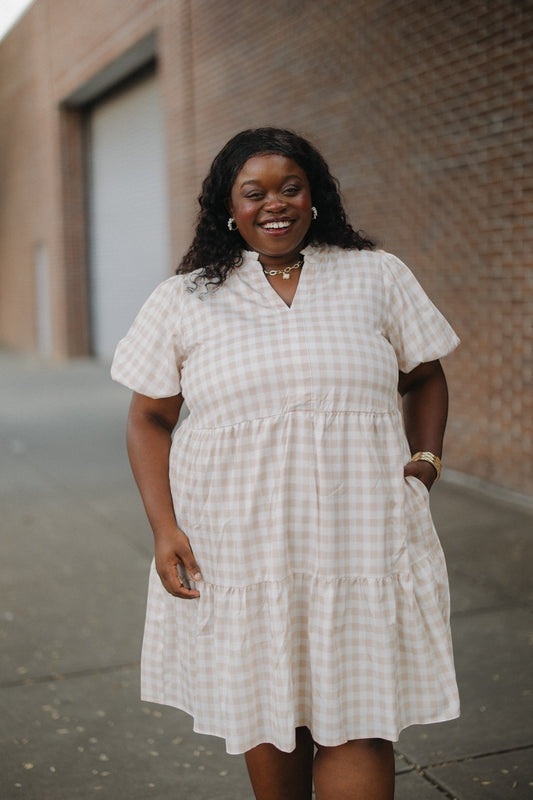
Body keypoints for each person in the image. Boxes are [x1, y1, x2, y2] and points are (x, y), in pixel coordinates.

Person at [111, 127, 460, 800]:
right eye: (253, 192)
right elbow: (148, 419)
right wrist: (164, 527)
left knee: (361, 723)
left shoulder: (375, 275)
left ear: (314, 197)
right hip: (241, 548)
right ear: (228, 208)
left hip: (361, 540)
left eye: (290, 187)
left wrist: (424, 462)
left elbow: (424, 375)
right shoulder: (183, 299)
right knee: (269, 718)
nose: (274, 204)